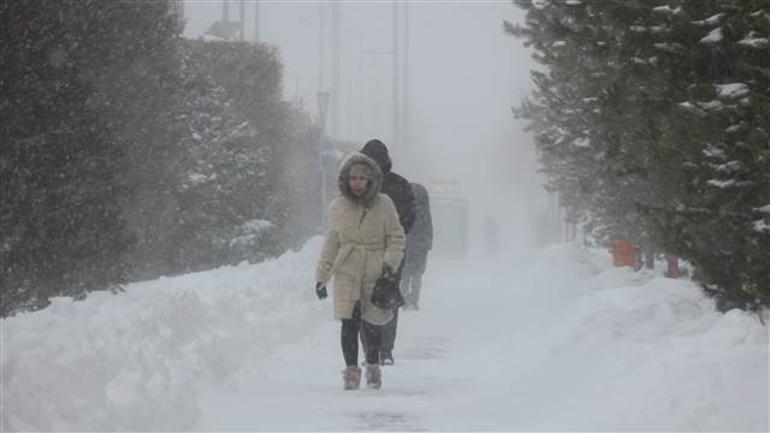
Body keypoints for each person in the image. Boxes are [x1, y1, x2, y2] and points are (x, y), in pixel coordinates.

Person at [315, 152, 405, 390]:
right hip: (347, 269)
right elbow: (331, 243)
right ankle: (351, 372)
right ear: (346, 179)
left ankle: (373, 366)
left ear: (371, 180)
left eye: (362, 178)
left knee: (372, 323)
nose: (357, 183)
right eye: (353, 177)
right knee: (349, 322)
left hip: (375, 268)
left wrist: (389, 265)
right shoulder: (337, 207)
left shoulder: (384, 204)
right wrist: (322, 277)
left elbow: (396, 236)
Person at [360, 139, 416, 366]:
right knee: (388, 296)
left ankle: (369, 350)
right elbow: (411, 215)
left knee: (364, 299)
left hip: (364, 251)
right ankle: (386, 349)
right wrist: (397, 234)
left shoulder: (359, 184)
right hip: (394, 250)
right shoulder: (400, 184)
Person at [401, 182, 433, 310]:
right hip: (420, 248)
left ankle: (404, 299)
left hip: (406, 246)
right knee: (417, 275)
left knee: (405, 275)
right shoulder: (425, 211)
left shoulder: (404, 209)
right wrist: (427, 245)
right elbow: (429, 229)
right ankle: (414, 301)